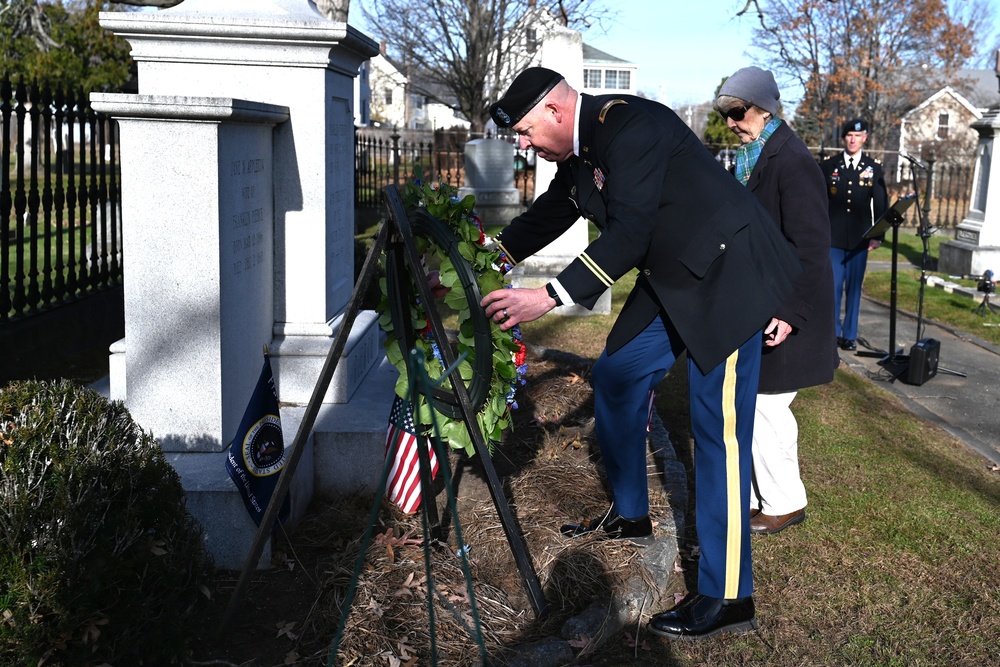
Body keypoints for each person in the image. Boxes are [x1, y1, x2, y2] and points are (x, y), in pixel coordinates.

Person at [480, 67, 801, 640]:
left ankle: (728, 596)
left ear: (556, 111)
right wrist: (485, 257)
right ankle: (629, 514)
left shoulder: (629, 126)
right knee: (617, 374)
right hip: (675, 277)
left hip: (728, 280)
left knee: (717, 434)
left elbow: (628, 233)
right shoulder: (579, 151)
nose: (524, 145)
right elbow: (555, 213)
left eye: (526, 132)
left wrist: (546, 296)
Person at [715, 67, 839, 536]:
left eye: (737, 111)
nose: (730, 121)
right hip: (765, 303)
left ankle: (786, 502)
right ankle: (755, 496)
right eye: (725, 112)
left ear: (764, 107)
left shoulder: (792, 160)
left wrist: (789, 313)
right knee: (754, 403)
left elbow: (811, 247)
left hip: (792, 309)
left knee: (768, 406)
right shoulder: (756, 154)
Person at [822, 119, 888, 351]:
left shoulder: (873, 168)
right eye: (849, 135)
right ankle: (832, 332)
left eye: (857, 136)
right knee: (833, 287)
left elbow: (881, 205)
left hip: (861, 239)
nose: (853, 140)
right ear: (844, 138)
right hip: (834, 238)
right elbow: (820, 202)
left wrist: (878, 236)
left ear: (865, 138)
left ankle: (849, 335)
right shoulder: (829, 166)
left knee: (854, 289)